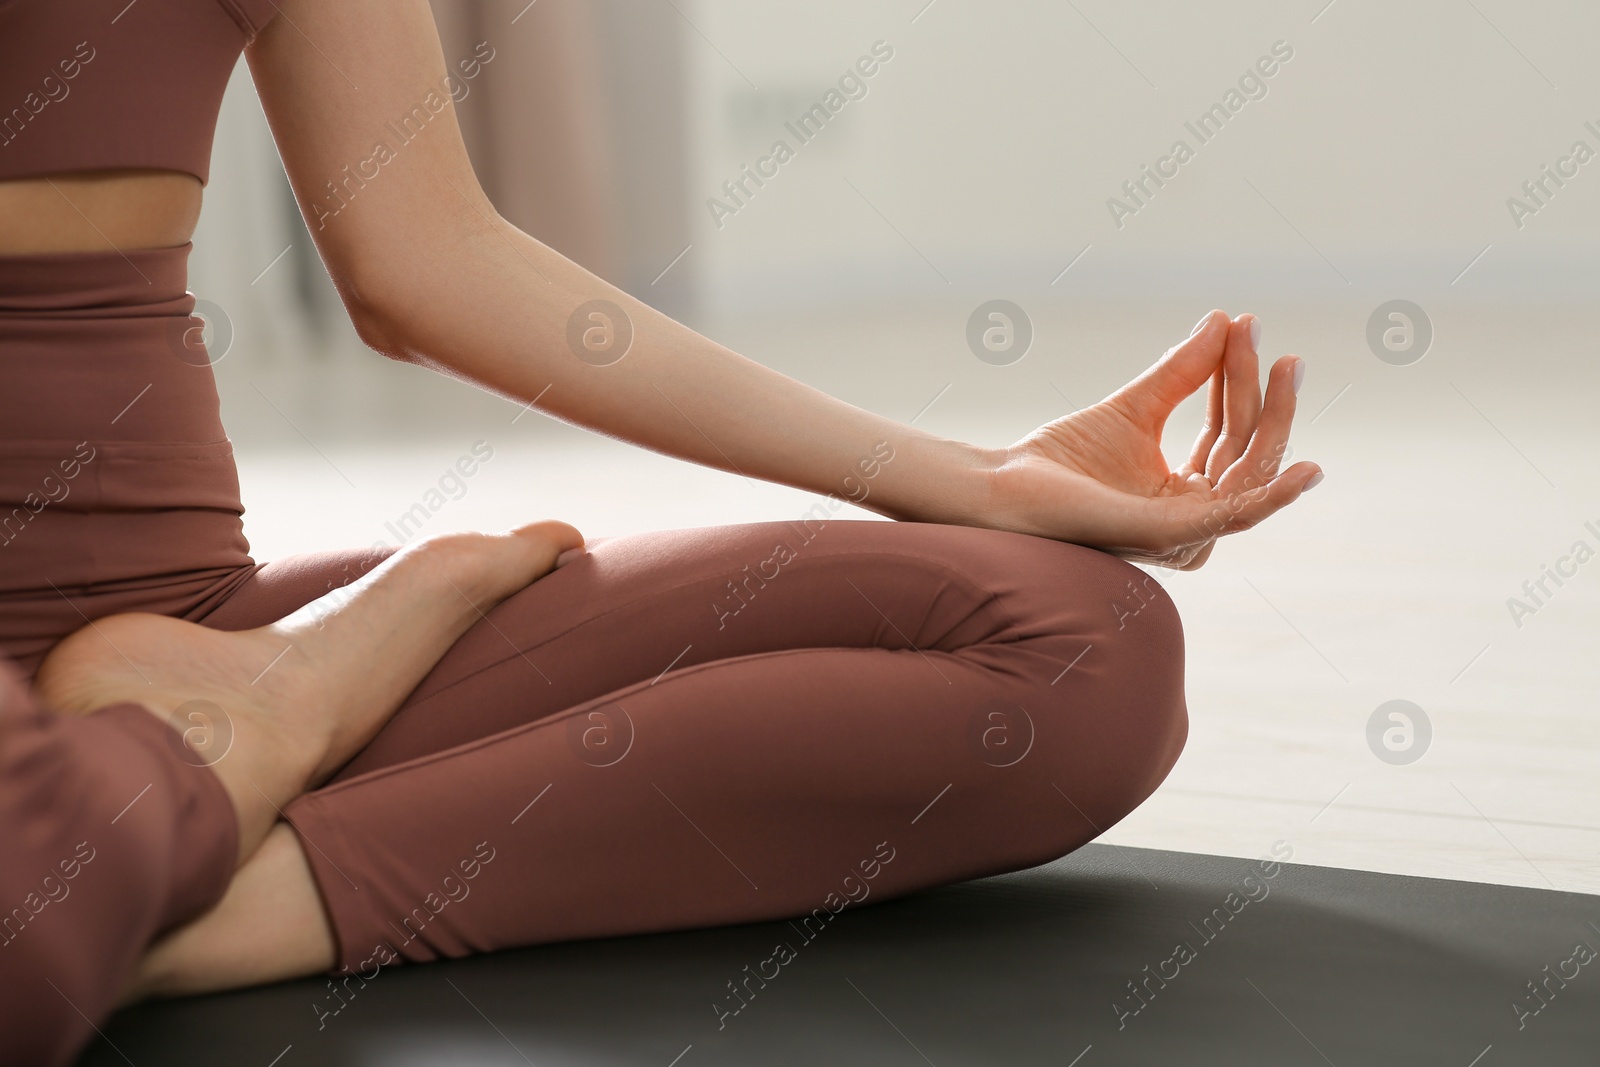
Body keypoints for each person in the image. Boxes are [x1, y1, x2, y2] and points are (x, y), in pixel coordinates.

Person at [0, 1, 1321, 1061]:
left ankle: (179, 890)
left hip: (168, 623)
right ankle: (178, 812)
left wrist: (972, 480)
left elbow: (427, 259)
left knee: (1080, 651)